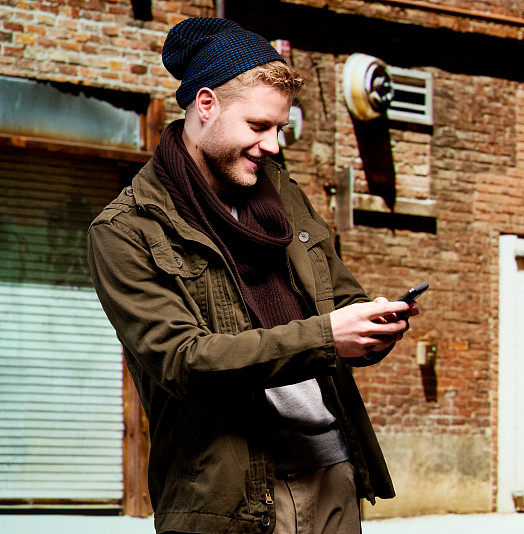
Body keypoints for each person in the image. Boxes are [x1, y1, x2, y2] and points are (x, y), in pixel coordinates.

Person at [87, 17, 418, 534]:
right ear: (206, 105)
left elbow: (339, 297)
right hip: (231, 496)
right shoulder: (125, 230)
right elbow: (183, 362)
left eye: (279, 129)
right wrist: (328, 337)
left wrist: (375, 326)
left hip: (332, 472)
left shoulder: (282, 194)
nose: (273, 146)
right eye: (258, 127)